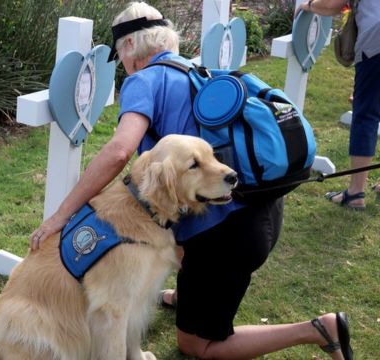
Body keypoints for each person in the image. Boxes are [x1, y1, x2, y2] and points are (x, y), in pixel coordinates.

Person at [29, 2, 353, 359]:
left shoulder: (143, 80)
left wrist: (61, 216)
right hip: (261, 206)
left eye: (120, 56)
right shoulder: (198, 70)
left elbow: (120, 151)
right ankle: (188, 295)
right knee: (173, 235)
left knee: (198, 345)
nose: (123, 66)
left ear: (131, 48)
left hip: (227, 235)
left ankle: (319, 330)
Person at [302, 0, 380, 210]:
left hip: (376, 44)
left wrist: (307, 5)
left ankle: (356, 193)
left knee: (366, 116)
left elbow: (332, 5)